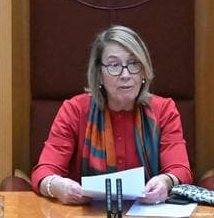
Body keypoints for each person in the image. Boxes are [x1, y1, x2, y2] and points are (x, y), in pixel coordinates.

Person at [32, 25, 192, 204]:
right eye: (114, 65)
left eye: (133, 64)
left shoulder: (164, 110)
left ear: (144, 72)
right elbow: (44, 171)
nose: (125, 75)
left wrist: (166, 181)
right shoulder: (75, 110)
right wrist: (58, 186)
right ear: (99, 74)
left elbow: (180, 170)